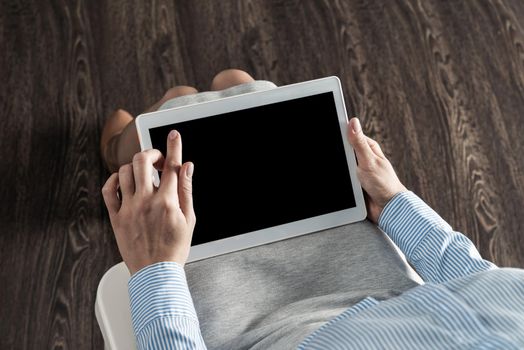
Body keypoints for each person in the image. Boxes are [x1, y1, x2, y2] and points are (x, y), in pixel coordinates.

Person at [101, 69, 524, 349]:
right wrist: (395, 203)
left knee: (179, 106)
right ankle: (160, 122)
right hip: (379, 284)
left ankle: (124, 145)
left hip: (251, 328)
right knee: (245, 85)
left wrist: (156, 269)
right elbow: (483, 285)